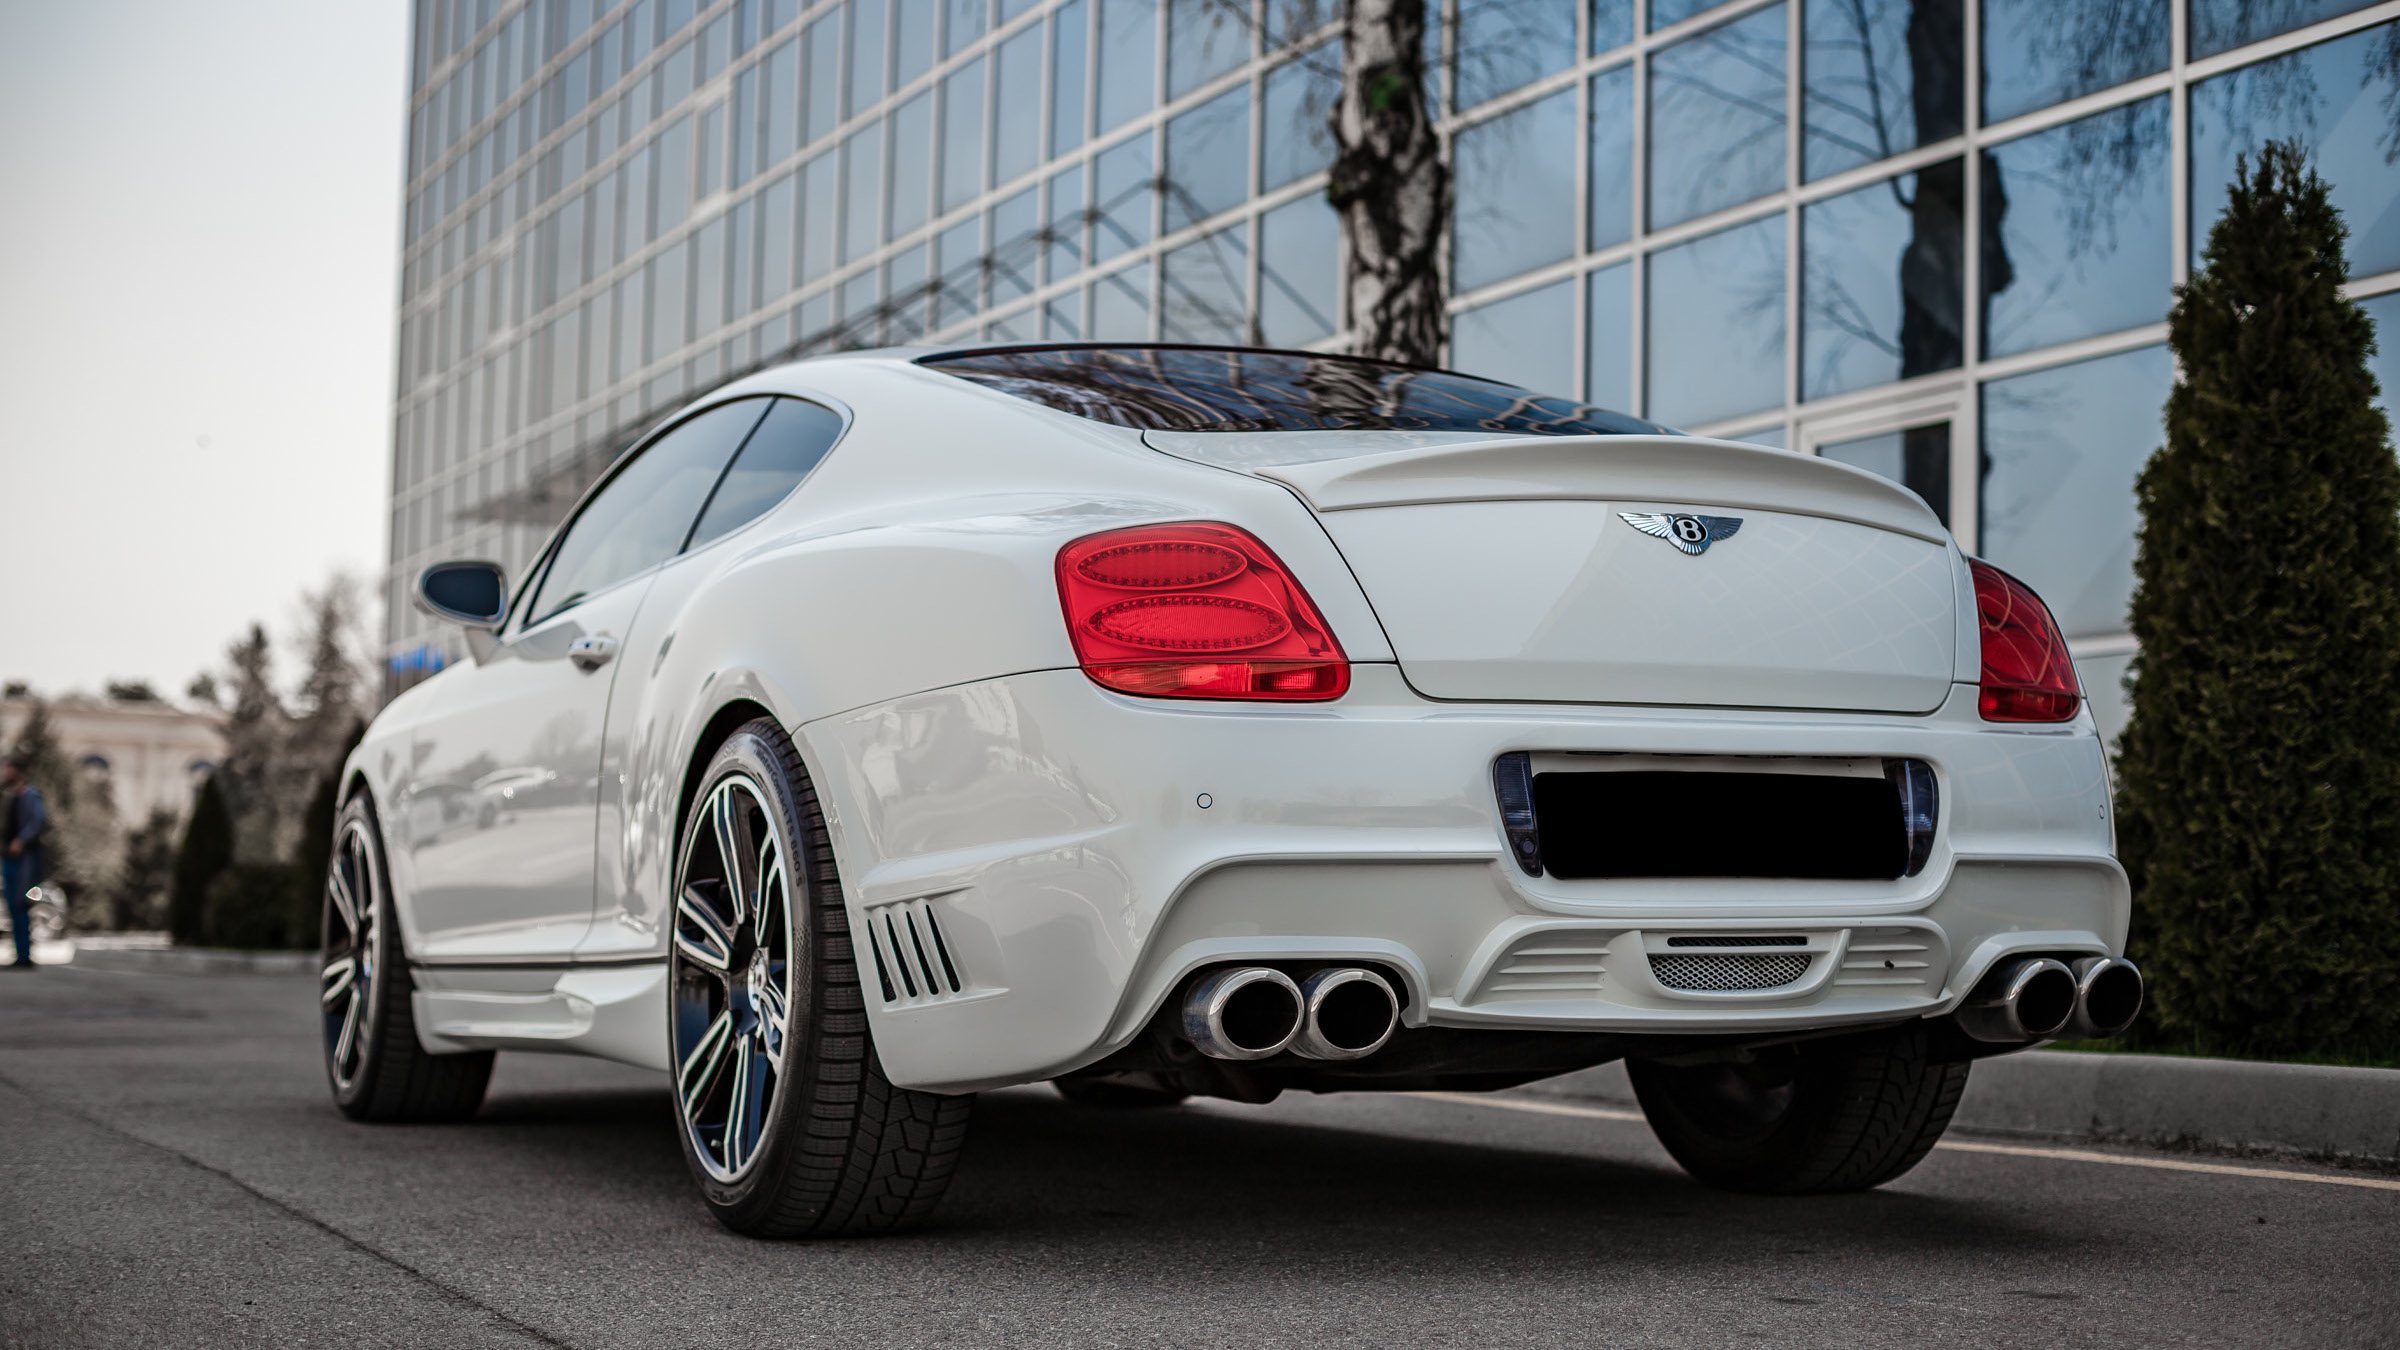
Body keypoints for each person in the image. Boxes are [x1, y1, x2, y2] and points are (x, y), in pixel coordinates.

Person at [0, 756, 48, 969]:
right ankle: (20, 954)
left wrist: (21, 840)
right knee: (13, 905)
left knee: (22, 904)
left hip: (25, 862)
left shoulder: (31, 796)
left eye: (7, 769)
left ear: (17, 771)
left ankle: (24, 955)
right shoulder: (10, 797)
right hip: (10, 860)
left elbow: (37, 821)